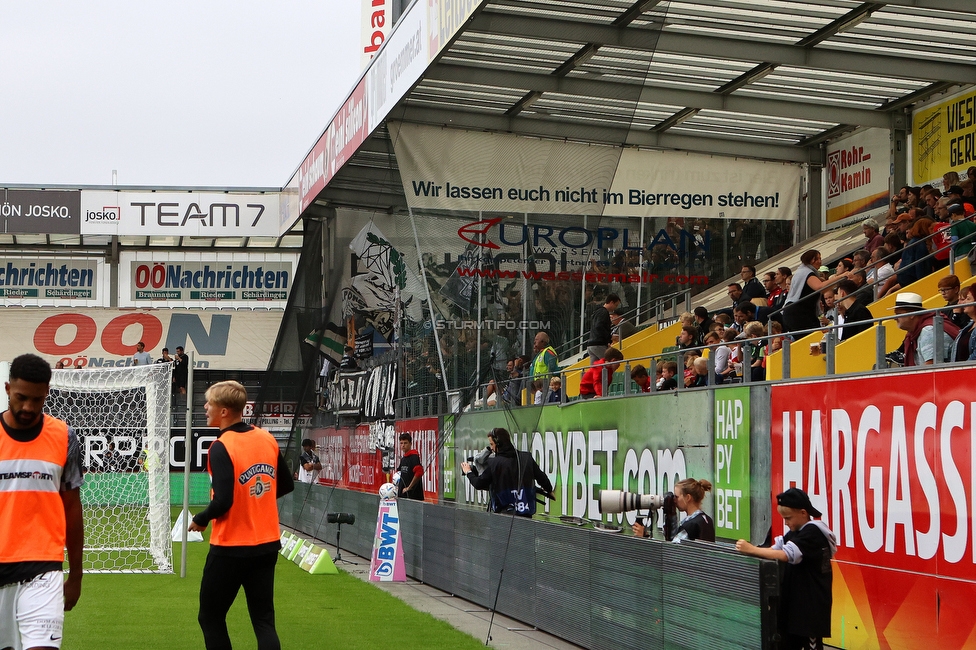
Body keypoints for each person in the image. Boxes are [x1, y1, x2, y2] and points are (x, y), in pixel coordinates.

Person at [188, 380, 295, 650]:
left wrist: (201, 518)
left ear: (224, 411)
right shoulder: (266, 438)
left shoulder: (222, 446)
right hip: (267, 544)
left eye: (209, 403)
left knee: (210, 617)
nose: (205, 407)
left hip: (231, 547)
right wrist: (256, 504)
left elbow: (224, 501)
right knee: (263, 621)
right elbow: (286, 484)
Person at [0, 354, 84, 650]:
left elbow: (72, 508)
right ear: (8, 389)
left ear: (47, 393)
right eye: (21, 398)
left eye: (37, 400)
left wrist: (76, 574)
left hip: (43, 569)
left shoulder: (64, 437)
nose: (28, 408)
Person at [736, 488, 837, 650]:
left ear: (803, 513)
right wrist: (751, 550)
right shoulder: (796, 532)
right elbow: (775, 549)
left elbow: (785, 555)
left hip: (810, 608)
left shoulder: (813, 532)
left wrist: (751, 550)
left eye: (788, 518)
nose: (786, 523)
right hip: (794, 607)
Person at [460, 427, 553, 517]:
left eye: (492, 444)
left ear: (498, 444)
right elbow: (541, 478)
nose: (491, 448)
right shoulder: (526, 458)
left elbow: (478, 483)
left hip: (504, 516)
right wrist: (549, 489)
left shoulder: (495, 463)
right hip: (526, 514)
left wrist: (468, 472)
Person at [632, 478, 715, 542]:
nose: (674, 500)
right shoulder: (706, 520)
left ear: (688, 497)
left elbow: (670, 551)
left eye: (677, 497)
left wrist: (644, 538)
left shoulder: (690, 526)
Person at [891, 292, 959, 366]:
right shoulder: (919, 331)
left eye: (898, 314)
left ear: (912, 314)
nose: (895, 318)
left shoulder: (929, 332)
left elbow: (931, 368)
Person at [783, 250, 832, 334]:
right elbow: (820, 287)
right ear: (812, 260)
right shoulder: (806, 272)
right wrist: (840, 277)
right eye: (819, 259)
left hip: (797, 313)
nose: (820, 262)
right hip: (798, 315)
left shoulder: (801, 272)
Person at [586, 293, 621, 363]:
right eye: (616, 305)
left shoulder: (597, 311)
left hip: (591, 344)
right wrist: (610, 337)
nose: (615, 308)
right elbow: (599, 326)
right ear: (611, 302)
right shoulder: (604, 312)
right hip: (599, 344)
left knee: (594, 369)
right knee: (609, 364)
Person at [396, 433, 424, 500]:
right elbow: (399, 473)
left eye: (405, 443)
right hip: (403, 496)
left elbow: (419, 472)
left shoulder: (414, 457)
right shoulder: (403, 459)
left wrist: (409, 487)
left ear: (410, 444)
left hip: (413, 496)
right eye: (401, 443)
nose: (403, 445)